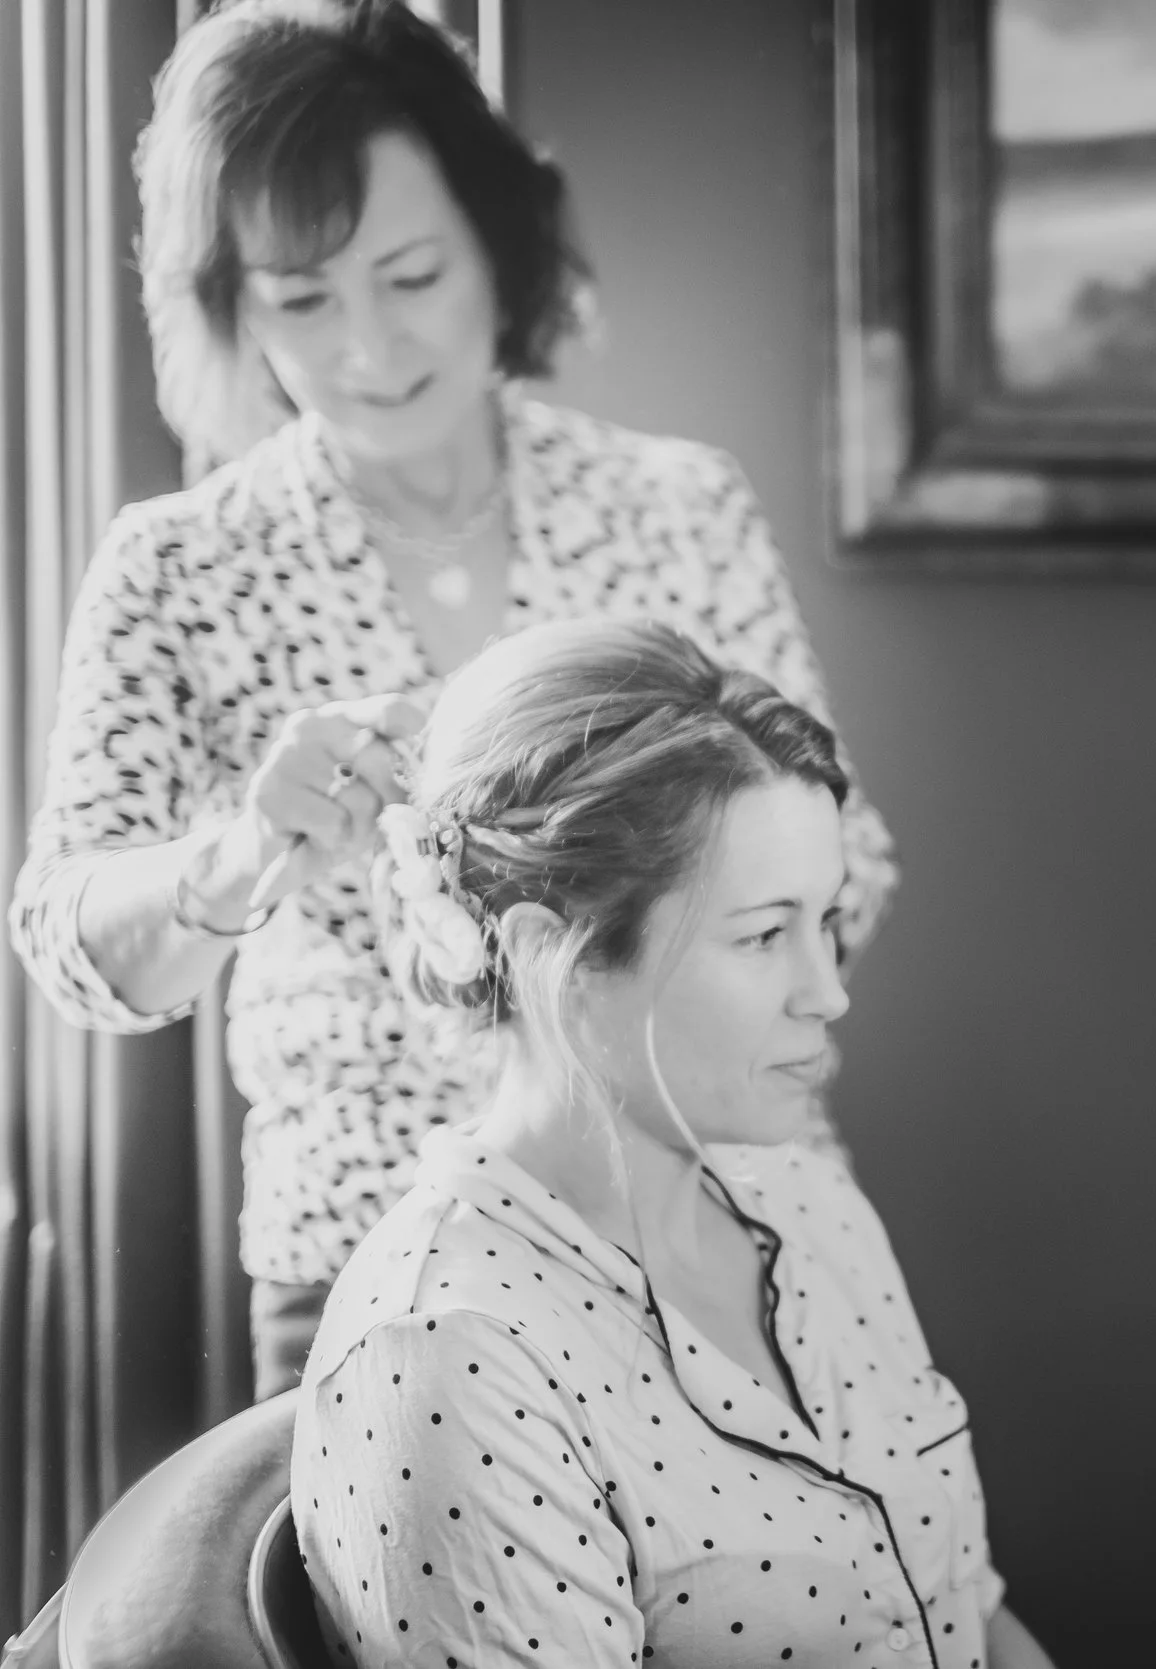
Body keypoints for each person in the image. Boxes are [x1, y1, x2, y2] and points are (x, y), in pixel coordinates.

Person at [4, 0, 895, 1400]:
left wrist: (677, 874)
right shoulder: (184, 565)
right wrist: (243, 856)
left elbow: (859, 869)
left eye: (410, 273)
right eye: (302, 299)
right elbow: (72, 950)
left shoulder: (676, 506)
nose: (368, 346)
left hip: (721, 1205)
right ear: (235, 308)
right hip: (371, 1265)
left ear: (495, 232)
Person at [292, 619, 1051, 1669]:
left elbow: (973, 1612)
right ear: (554, 953)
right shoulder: (452, 1358)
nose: (828, 992)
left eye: (827, 921)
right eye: (759, 935)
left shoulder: (811, 1205)